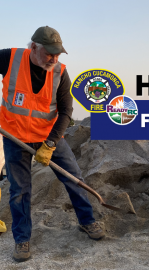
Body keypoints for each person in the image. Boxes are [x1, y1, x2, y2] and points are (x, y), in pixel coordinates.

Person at [0, 26, 105, 262]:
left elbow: (67, 110)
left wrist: (50, 143)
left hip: (49, 135)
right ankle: (22, 239)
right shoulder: (9, 58)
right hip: (15, 137)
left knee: (73, 176)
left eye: (58, 54)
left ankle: (87, 221)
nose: (54, 59)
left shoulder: (60, 71)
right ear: (34, 47)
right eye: (49, 53)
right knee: (19, 191)